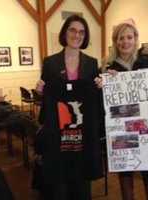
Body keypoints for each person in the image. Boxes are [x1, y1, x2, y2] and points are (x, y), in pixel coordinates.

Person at [35, 14, 103, 200]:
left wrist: (100, 86)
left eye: (81, 32)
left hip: (82, 137)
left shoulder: (92, 63)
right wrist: (40, 92)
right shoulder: (50, 63)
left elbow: (95, 100)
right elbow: (46, 100)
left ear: (85, 36)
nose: (77, 35)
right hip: (58, 137)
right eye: (72, 30)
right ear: (65, 32)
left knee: (82, 186)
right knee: (60, 187)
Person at [95, 18, 148, 200]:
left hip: (145, 131)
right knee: (126, 189)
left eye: (129, 37)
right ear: (115, 41)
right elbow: (100, 105)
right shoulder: (107, 68)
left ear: (135, 39)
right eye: (120, 38)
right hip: (121, 135)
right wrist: (104, 86)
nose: (125, 42)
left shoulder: (145, 65)